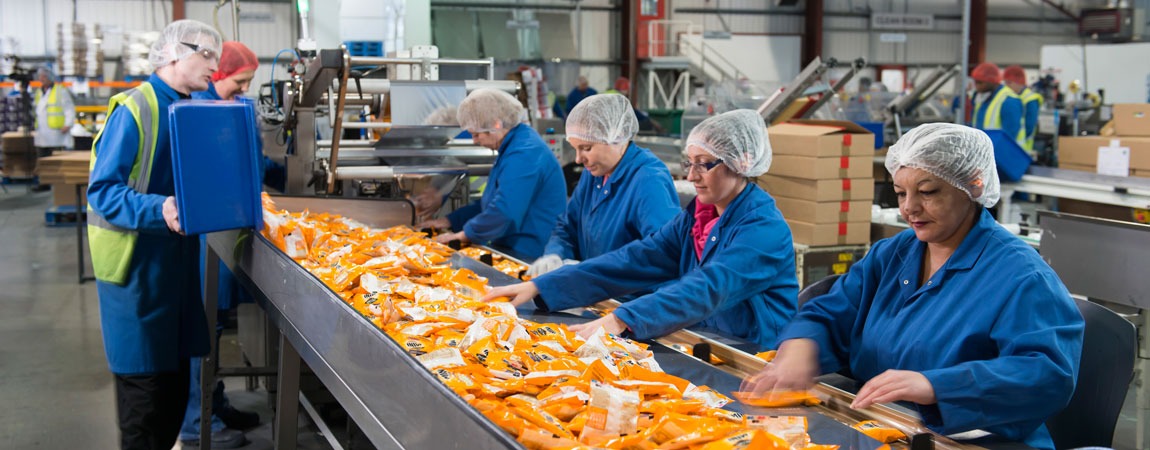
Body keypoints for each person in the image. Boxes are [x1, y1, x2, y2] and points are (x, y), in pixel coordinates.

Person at [743, 123, 1084, 450]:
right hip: (884, 425)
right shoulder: (894, 253)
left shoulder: (1021, 277)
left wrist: (936, 386)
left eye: (928, 192)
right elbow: (831, 310)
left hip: (973, 440)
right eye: (900, 193)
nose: (909, 208)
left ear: (973, 187)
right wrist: (802, 345)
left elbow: (1046, 374)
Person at [484, 110, 798, 351]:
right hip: (709, 341)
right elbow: (637, 259)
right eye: (689, 163)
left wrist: (623, 318)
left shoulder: (763, 229)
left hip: (756, 357)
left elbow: (709, 287)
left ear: (741, 162)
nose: (692, 176)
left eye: (704, 164)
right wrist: (544, 286)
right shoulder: (698, 217)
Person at [87, 19, 221, 449]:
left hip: (175, 279)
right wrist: (158, 208)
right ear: (174, 53)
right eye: (207, 54)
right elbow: (102, 192)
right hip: (138, 279)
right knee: (145, 413)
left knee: (172, 403)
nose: (214, 68)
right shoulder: (136, 108)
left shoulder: (189, 108)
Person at [180, 40, 263, 449]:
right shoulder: (202, 113)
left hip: (223, 234)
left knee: (211, 330)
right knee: (202, 331)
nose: (244, 89)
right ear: (218, 74)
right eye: (241, 81)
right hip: (205, 241)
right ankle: (198, 424)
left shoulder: (224, 108)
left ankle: (215, 405)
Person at [527, 94, 680, 286]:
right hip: (597, 294)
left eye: (586, 148)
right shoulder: (594, 174)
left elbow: (662, 254)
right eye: (575, 148)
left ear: (616, 138)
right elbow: (567, 226)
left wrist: (591, 271)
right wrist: (554, 254)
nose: (578, 159)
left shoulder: (648, 180)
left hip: (633, 303)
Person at [415, 88, 566, 260]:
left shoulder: (524, 153)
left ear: (496, 125)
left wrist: (464, 235)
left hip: (531, 252)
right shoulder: (511, 146)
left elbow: (505, 210)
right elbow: (492, 201)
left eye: (476, 134)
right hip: (513, 246)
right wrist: (450, 221)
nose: (474, 141)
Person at [969, 62, 1023, 147]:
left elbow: (1010, 135)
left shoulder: (1009, 100)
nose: (976, 86)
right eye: (975, 82)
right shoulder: (982, 98)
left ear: (992, 81)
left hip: (1001, 153)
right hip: (983, 149)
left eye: (980, 82)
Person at [1003, 65, 1043, 157]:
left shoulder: (1030, 99)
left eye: (1009, 83)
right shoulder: (1010, 97)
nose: (1006, 86)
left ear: (1019, 82)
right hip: (1010, 146)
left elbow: (1030, 127)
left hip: (1023, 148)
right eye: (1005, 83)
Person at [33, 66, 75, 155]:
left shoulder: (60, 91)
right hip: (42, 132)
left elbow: (69, 109)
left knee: (56, 157)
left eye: (44, 76)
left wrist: (68, 124)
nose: (41, 79)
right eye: (40, 76)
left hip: (56, 132)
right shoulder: (39, 92)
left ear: (50, 77)